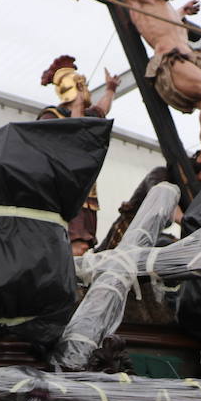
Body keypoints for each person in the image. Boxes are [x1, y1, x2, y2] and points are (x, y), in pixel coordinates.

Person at [54, 0, 201, 181]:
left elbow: (167, 24)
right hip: (169, 65)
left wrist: (183, 12)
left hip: (188, 63)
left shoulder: (166, 7)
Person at [38, 55, 121, 255]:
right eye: (80, 86)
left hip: (87, 193)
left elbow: (101, 110)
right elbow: (73, 139)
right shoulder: (51, 117)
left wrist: (110, 89)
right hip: (66, 192)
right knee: (75, 243)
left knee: (85, 244)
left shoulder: (87, 115)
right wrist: (76, 105)